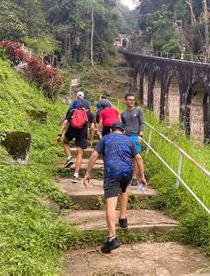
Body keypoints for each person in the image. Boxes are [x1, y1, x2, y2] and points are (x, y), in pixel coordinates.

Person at [83, 122, 147, 253]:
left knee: (111, 205)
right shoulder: (129, 140)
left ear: (111, 130)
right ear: (123, 131)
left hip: (112, 172)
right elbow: (138, 158)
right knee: (123, 191)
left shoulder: (105, 138)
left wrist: (88, 172)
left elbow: (94, 155)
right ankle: (123, 218)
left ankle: (111, 238)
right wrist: (142, 176)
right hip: (127, 172)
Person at [57, 102, 95, 182]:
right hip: (82, 134)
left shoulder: (73, 111)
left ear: (80, 107)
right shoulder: (91, 114)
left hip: (71, 131)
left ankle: (69, 157)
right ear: (88, 108)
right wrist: (91, 139)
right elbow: (92, 127)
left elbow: (65, 122)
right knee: (79, 153)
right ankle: (75, 175)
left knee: (65, 142)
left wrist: (59, 134)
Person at [121, 93, 145, 185]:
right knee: (127, 157)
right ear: (125, 101)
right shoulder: (123, 114)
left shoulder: (138, 110)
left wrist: (140, 135)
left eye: (133, 100)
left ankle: (134, 177)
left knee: (135, 157)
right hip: (126, 137)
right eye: (130, 99)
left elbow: (142, 123)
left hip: (135, 136)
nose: (132, 101)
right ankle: (127, 175)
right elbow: (123, 126)